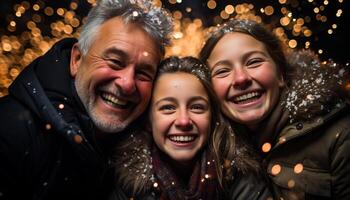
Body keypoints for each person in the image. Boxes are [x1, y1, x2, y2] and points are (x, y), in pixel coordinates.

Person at [0, 0, 172, 199]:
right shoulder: (10, 131)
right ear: (77, 60)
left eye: (143, 73)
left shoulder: (147, 148)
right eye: (115, 62)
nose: (127, 84)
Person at [199, 19, 350, 199]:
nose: (241, 79)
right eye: (222, 71)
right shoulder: (213, 154)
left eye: (254, 62)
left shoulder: (341, 136)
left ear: (281, 74)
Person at [109, 56, 273, 200]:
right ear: (148, 121)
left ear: (212, 117)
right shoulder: (128, 182)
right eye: (167, 108)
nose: (183, 121)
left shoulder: (239, 172)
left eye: (197, 107)